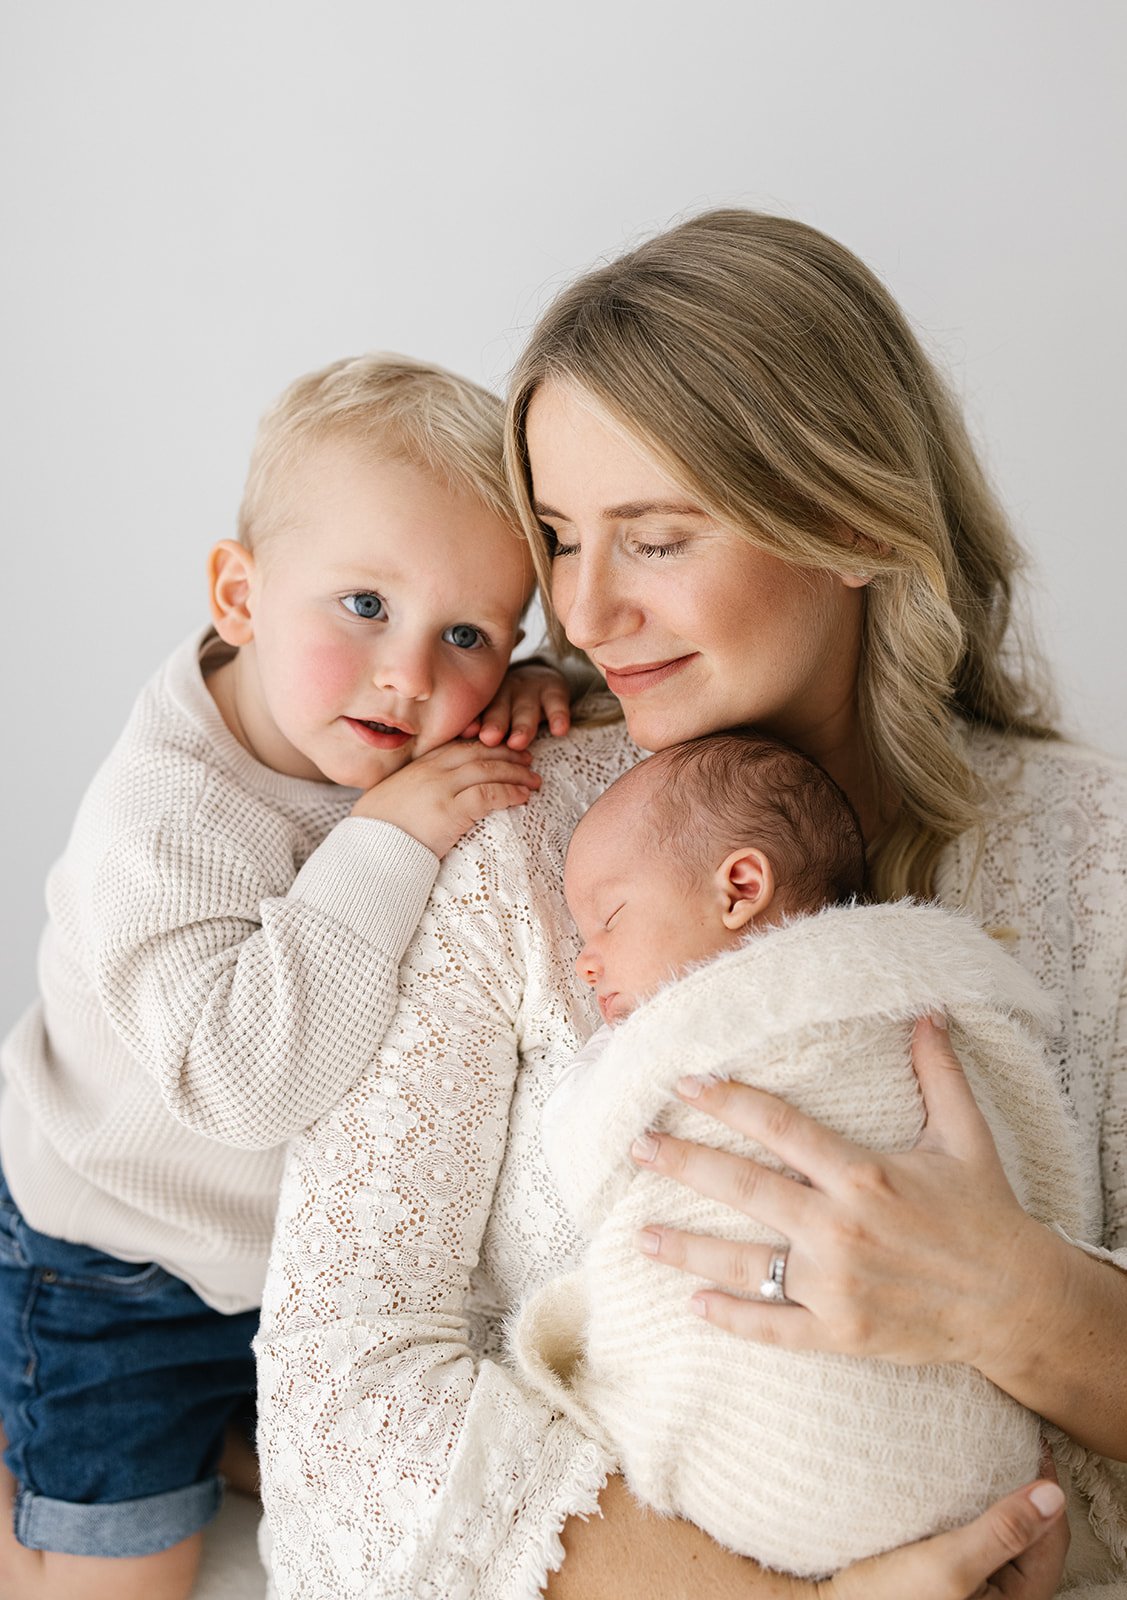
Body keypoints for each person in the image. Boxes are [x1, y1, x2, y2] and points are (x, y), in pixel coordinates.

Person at [256, 212, 1127, 1600]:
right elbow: (336, 1400)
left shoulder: (1093, 853)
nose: (585, 613)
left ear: (850, 521)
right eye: (556, 540)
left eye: (654, 540)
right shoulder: (504, 826)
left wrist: (1014, 1299)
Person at [0, 352, 572, 1600]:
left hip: (290, 1277)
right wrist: (387, 838)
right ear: (239, 594)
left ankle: (207, 1427)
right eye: (363, 605)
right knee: (108, 1580)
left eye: (468, 634)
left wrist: (535, 694)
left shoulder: (395, 718)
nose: (410, 676)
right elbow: (246, 1082)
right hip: (115, 1264)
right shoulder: (167, 818)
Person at [513, 730, 1092, 1577]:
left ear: (740, 887)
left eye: (606, 917)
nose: (584, 957)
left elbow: (581, 1148)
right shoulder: (910, 983)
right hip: (983, 1492)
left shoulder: (836, 1008)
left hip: (856, 1457)